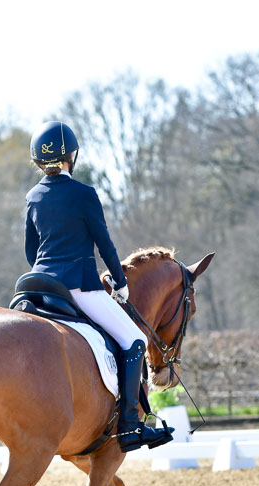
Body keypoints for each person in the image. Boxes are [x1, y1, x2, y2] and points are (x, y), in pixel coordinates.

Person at [24, 120, 173, 453]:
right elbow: (104, 244)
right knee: (134, 339)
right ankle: (131, 425)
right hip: (79, 285)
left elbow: (30, 251)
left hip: (38, 286)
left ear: (38, 161)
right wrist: (120, 284)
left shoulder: (33, 197)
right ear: (71, 156)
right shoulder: (84, 194)